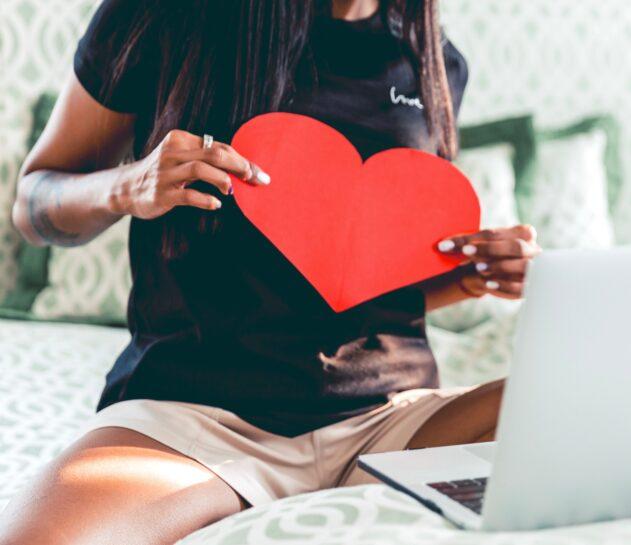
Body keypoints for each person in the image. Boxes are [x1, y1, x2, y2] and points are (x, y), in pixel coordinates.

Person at [0, 0, 540, 543]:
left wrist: (468, 278)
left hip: (391, 419)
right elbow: (33, 202)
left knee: (573, 409)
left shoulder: (434, 59)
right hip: (197, 419)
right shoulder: (162, 14)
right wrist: (130, 184)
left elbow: (350, 277)